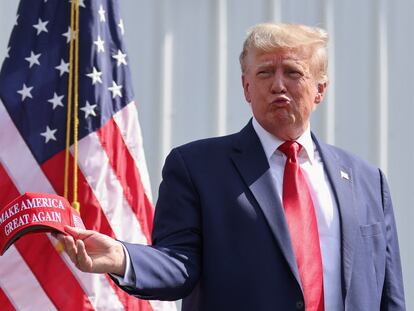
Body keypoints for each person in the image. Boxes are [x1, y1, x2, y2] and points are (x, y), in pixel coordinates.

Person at [58, 23, 406, 310]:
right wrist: (121, 256)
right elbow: (179, 264)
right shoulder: (196, 168)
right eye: (265, 72)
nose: (278, 85)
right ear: (246, 87)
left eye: (293, 72)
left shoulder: (367, 180)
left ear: (319, 90)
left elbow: (389, 295)